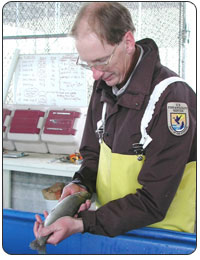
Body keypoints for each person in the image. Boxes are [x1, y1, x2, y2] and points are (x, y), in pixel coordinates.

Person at [33, 2, 196, 245]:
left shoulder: (171, 98)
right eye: (88, 64)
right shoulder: (105, 86)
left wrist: (84, 223)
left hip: (164, 239)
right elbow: (92, 156)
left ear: (128, 42)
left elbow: (154, 200)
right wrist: (81, 185)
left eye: (101, 61)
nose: (95, 74)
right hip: (112, 231)